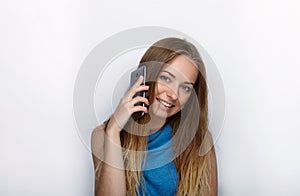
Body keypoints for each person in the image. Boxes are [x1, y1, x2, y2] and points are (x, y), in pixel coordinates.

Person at [91, 37, 218, 196]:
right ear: (145, 77)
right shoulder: (103, 135)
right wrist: (114, 130)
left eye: (185, 88)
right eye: (166, 78)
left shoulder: (200, 141)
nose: (173, 94)